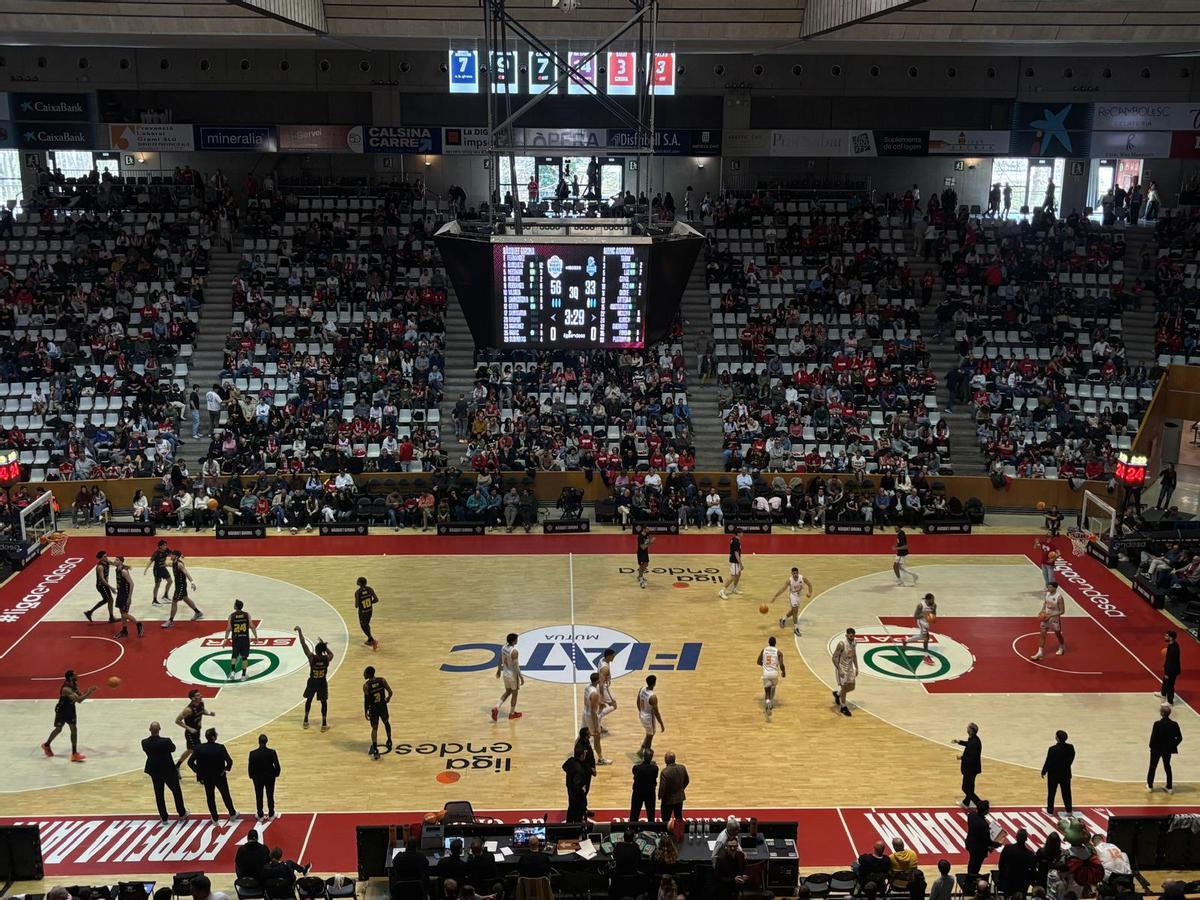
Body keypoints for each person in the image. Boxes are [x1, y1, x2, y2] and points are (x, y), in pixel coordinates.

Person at [41, 670, 96, 761]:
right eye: (75, 675)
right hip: (62, 711)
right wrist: (89, 692)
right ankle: (46, 745)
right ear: (71, 677)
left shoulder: (74, 685)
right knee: (58, 729)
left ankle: (74, 754)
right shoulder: (66, 689)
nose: (77, 675)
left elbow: (80, 696)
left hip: (70, 710)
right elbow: (79, 700)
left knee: (74, 729)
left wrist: (87, 691)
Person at [188, 727, 238, 823]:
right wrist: (225, 769)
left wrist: (198, 771)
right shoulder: (220, 747)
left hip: (206, 777)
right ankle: (232, 814)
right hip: (219, 776)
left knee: (210, 797)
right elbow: (229, 761)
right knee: (225, 795)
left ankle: (214, 818)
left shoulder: (199, 748)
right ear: (214, 737)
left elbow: (190, 762)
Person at [142, 721, 187, 824]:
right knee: (176, 791)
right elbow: (173, 749)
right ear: (159, 729)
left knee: (159, 794)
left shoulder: (144, 742)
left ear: (150, 730)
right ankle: (181, 813)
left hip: (154, 770)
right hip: (168, 770)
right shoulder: (166, 741)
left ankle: (164, 817)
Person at [296, 626, 333, 731]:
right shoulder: (326, 658)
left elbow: (304, 645)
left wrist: (300, 632)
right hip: (322, 682)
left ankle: (306, 720)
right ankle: (324, 724)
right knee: (324, 702)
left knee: (309, 700)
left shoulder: (312, 657)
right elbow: (331, 654)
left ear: (316, 650)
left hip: (312, 681)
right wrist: (324, 646)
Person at [162, 550, 202, 628]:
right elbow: (169, 564)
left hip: (181, 586)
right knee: (185, 598)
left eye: (172, 555)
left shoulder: (179, 564)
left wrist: (192, 582)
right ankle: (198, 613)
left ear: (176, 556)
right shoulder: (174, 562)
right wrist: (164, 564)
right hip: (178, 585)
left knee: (174, 601)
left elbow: (186, 572)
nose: (170, 556)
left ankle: (170, 621)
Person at [1148, 703, 1183, 793]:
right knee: (1167, 767)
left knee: (1152, 767)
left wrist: (1151, 747)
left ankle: (1150, 786)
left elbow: (1153, 738)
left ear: (1162, 713)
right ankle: (1169, 787)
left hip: (1156, 750)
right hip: (1167, 750)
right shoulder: (1174, 724)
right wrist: (1172, 746)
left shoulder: (1157, 724)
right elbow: (1179, 738)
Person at [248, 733, 281, 821]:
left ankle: (260, 815)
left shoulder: (252, 753)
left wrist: (252, 776)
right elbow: (277, 766)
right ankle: (271, 814)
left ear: (258, 742)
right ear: (266, 742)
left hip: (257, 778)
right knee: (270, 795)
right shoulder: (272, 752)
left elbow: (250, 767)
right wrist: (276, 774)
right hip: (270, 777)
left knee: (259, 796)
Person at [492, 632, 524, 722]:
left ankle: (496, 707)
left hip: (505, 674)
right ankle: (512, 713)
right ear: (514, 641)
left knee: (508, 691)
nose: (517, 640)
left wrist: (498, 669)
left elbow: (500, 659)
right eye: (516, 639)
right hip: (513, 675)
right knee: (515, 693)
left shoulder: (503, 647)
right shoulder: (514, 652)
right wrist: (521, 677)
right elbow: (516, 667)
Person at [771, 566, 812, 637]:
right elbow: (783, 589)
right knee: (795, 612)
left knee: (793, 611)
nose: (795, 574)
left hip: (799, 596)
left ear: (798, 573)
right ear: (792, 574)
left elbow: (809, 584)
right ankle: (796, 628)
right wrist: (775, 596)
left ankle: (783, 619)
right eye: (794, 573)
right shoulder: (789, 580)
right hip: (793, 596)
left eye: (796, 573)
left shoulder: (802, 578)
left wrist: (810, 593)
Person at [1042, 729, 1075, 815]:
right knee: (1067, 793)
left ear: (1057, 738)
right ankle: (1069, 811)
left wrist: (1044, 771)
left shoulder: (1053, 749)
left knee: (1051, 793)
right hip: (1065, 774)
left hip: (1053, 775)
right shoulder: (1070, 747)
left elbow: (1048, 761)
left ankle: (1050, 811)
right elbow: (1071, 759)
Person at [363, 666, 393, 759]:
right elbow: (390, 692)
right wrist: (388, 698)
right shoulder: (382, 680)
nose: (363, 674)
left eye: (364, 673)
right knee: (386, 722)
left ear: (368, 674)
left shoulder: (366, 685)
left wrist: (365, 711)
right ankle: (389, 740)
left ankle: (375, 749)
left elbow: (366, 700)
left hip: (374, 709)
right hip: (382, 706)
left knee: (374, 728)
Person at [1031, 581, 1066, 660]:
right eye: (1048, 587)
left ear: (1055, 588)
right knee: (1042, 633)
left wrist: (1050, 615)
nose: (1048, 588)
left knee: (1058, 634)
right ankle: (1040, 652)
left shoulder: (1059, 597)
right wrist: (1042, 610)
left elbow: (1062, 611)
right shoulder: (1047, 594)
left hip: (1054, 618)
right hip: (1046, 617)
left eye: (1050, 587)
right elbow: (1045, 603)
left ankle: (1061, 646)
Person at [965, 799, 1000, 875]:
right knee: (976, 865)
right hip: (979, 849)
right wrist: (996, 844)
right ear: (985, 811)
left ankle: (970, 874)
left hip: (970, 844)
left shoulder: (971, 816)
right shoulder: (984, 825)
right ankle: (973, 877)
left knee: (971, 861)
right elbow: (987, 841)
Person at [997, 828, 1036, 896]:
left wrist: (1003, 876)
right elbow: (1032, 873)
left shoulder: (1007, 848)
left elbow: (1001, 864)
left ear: (1016, 837)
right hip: (1022, 885)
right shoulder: (1030, 855)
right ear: (1026, 839)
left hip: (1007, 882)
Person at [225, 599, 257, 681]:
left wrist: (226, 638)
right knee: (244, 657)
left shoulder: (231, 616)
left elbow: (228, 628)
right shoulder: (247, 615)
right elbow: (252, 626)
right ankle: (243, 675)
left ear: (235, 606)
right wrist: (256, 636)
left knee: (234, 655)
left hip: (235, 638)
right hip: (244, 638)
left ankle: (232, 672)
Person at [952, 722, 983, 808]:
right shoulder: (974, 739)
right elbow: (968, 744)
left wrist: (961, 757)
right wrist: (959, 742)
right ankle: (966, 803)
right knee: (970, 787)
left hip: (971, 769)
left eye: (968, 728)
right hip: (973, 768)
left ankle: (980, 803)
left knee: (965, 788)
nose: (966, 729)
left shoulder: (974, 742)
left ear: (971, 731)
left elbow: (971, 758)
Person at [113, 556, 144, 639]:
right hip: (120, 593)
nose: (115, 561)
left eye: (117, 560)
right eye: (115, 559)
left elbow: (132, 584)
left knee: (124, 613)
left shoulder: (124, 571)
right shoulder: (117, 570)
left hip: (125, 595)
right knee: (122, 613)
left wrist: (129, 597)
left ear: (121, 562)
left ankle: (138, 624)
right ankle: (124, 630)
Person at [83, 550, 117, 623]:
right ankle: (111, 618)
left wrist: (124, 566)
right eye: (104, 556)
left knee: (106, 600)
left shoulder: (107, 562)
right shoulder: (100, 567)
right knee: (110, 600)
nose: (106, 557)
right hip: (101, 585)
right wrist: (111, 587)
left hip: (104, 585)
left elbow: (115, 564)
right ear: (101, 558)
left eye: (106, 556)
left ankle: (89, 612)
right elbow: (102, 579)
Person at [832, 628, 858, 717]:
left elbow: (854, 655)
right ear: (846, 635)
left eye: (853, 635)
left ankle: (837, 694)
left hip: (850, 667)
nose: (852, 637)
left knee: (852, 687)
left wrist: (857, 667)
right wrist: (839, 669)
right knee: (844, 688)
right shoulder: (841, 644)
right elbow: (834, 657)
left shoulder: (854, 642)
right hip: (842, 668)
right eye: (850, 635)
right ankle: (843, 707)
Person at [902, 593, 937, 657]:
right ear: (927, 600)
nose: (933, 601)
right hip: (921, 622)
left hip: (927, 621)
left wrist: (933, 618)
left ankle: (906, 640)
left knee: (922, 636)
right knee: (926, 638)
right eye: (932, 600)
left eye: (934, 599)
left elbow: (934, 613)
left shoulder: (934, 605)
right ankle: (926, 656)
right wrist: (924, 614)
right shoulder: (920, 605)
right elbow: (915, 616)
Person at [658, 750, 689, 823]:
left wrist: (660, 795)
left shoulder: (665, 771)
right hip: (679, 797)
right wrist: (681, 789)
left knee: (665, 819)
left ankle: (665, 833)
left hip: (668, 799)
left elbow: (662, 787)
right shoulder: (682, 767)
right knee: (678, 818)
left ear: (666, 760)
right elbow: (687, 780)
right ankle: (679, 833)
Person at [562, 744, 591, 822]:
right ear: (581, 756)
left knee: (571, 807)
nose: (585, 755)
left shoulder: (571, 761)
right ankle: (577, 826)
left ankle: (569, 823)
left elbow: (564, 766)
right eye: (584, 753)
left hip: (570, 788)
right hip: (577, 794)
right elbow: (577, 784)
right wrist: (582, 789)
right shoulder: (579, 769)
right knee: (577, 810)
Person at [757, 635, 786, 712]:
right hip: (774, 673)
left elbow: (758, 662)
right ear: (775, 643)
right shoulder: (779, 652)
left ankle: (767, 703)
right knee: (773, 687)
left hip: (766, 673)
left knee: (767, 692)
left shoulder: (764, 650)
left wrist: (764, 664)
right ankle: (771, 702)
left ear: (768, 643)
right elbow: (781, 664)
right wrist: (783, 672)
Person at [638, 674, 665, 751]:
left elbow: (638, 701)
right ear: (654, 683)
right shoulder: (653, 697)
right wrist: (661, 724)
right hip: (648, 718)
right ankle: (646, 754)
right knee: (650, 735)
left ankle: (641, 750)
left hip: (642, 714)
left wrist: (640, 712)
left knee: (648, 733)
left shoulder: (642, 689)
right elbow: (657, 713)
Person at [630, 747, 658, 822]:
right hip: (650, 793)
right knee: (651, 815)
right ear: (651, 758)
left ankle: (633, 830)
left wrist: (640, 762)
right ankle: (651, 831)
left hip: (638, 793)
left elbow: (634, 770)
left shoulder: (636, 768)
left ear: (643, 757)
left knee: (634, 814)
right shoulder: (655, 768)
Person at [144, 540, 174, 605]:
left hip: (163, 568)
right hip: (157, 570)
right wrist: (146, 569)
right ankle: (154, 600)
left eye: (166, 545)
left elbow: (173, 554)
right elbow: (150, 561)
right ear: (160, 546)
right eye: (164, 545)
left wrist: (180, 555)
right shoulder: (156, 553)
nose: (166, 546)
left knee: (170, 581)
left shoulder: (166, 550)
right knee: (157, 585)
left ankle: (165, 595)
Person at [354, 577, 380, 649]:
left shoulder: (357, 592)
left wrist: (362, 602)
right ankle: (369, 639)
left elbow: (356, 606)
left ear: (359, 583)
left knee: (363, 625)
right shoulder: (370, 589)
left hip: (363, 612)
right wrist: (369, 602)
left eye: (357, 580)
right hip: (369, 610)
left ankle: (372, 640)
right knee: (367, 624)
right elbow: (376, 600)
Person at [718, 528, 743, 599]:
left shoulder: (735, 539)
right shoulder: (735, 542)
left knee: (738, 574)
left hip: (736, 561)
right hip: (735, 561)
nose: (742, 533)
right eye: (741, 532)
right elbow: (736, 553)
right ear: (738, 533)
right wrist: (740, 563)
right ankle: (722, 591)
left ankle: (734, 589)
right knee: (733, 576)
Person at [1159, 630, 1182, 705]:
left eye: (1166, 636)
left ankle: (1170, 701)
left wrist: (1167, 673)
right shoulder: (1172, 644)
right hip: (1170, 668)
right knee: (1165, 682)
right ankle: (1163, 694)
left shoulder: (1173, 649)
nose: (1165, 637)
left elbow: (1171, 663)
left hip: (1172, 671)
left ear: (1171, 638)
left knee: (1170, 685)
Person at [598, 647, 617, 727]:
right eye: (613, 656)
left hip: (603, 686)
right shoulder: (605, 668)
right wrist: (601, 697)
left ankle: (598, 725)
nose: (614, 657)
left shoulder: (602, 659)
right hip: (603, 688)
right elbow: (601, 683)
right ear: (608, 656)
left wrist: (608, 678)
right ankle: (598, 717)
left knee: (601, 707)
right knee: (613, 705)